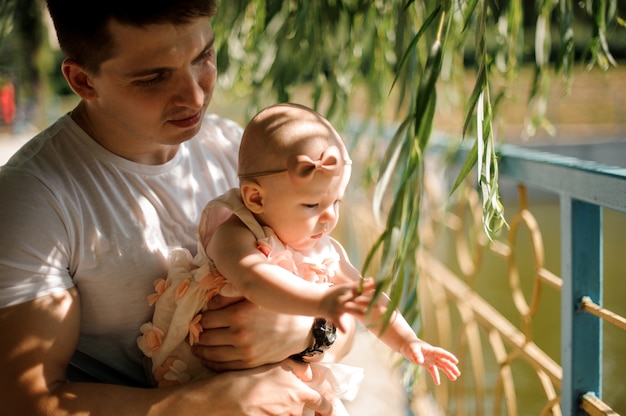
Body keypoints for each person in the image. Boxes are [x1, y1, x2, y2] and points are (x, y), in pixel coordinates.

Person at [0, 1, 355, 415]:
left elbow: (350, 317)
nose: (195, 94)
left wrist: (308, 334)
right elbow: (24, 399)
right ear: (83, 81)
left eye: (204, 56)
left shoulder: (236, 152)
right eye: (153, 78)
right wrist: (199, 404)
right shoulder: (34, 199)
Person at [136, 103, 460, 405]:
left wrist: (408, 342)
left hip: (276, 373)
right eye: (311, 204)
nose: (329, 217)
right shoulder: (233, 233)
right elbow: (255, 279)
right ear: (256, 199)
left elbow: (366, 297)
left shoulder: (321, 248)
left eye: (336, 202)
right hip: (209, 382)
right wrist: (321, 302)